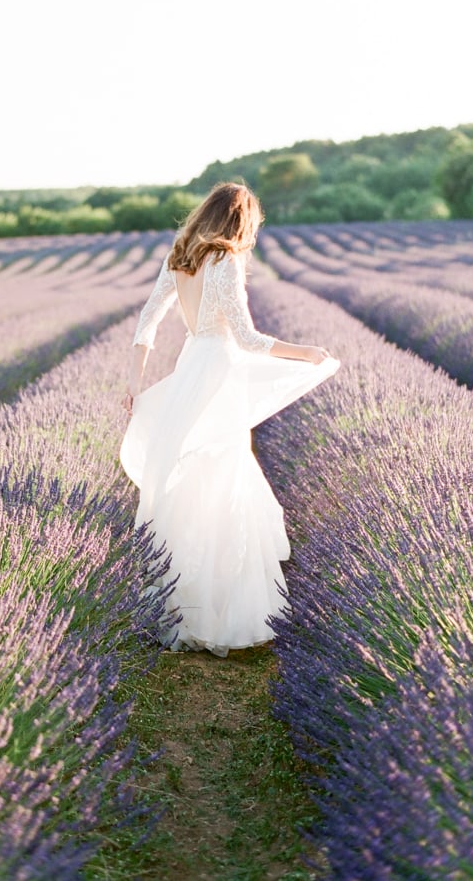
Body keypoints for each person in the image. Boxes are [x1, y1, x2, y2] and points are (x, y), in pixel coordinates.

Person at [119, 182, 340, 657]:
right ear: (240, 222)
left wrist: (136, 383)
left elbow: (146, 323)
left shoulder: (179, 256)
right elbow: (246, 337)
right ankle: (220, 615)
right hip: (219, 375)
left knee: (183, 482)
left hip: (189, 371)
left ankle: (175, 608)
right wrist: (307, 353)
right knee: (221, 482)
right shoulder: (225, 261)